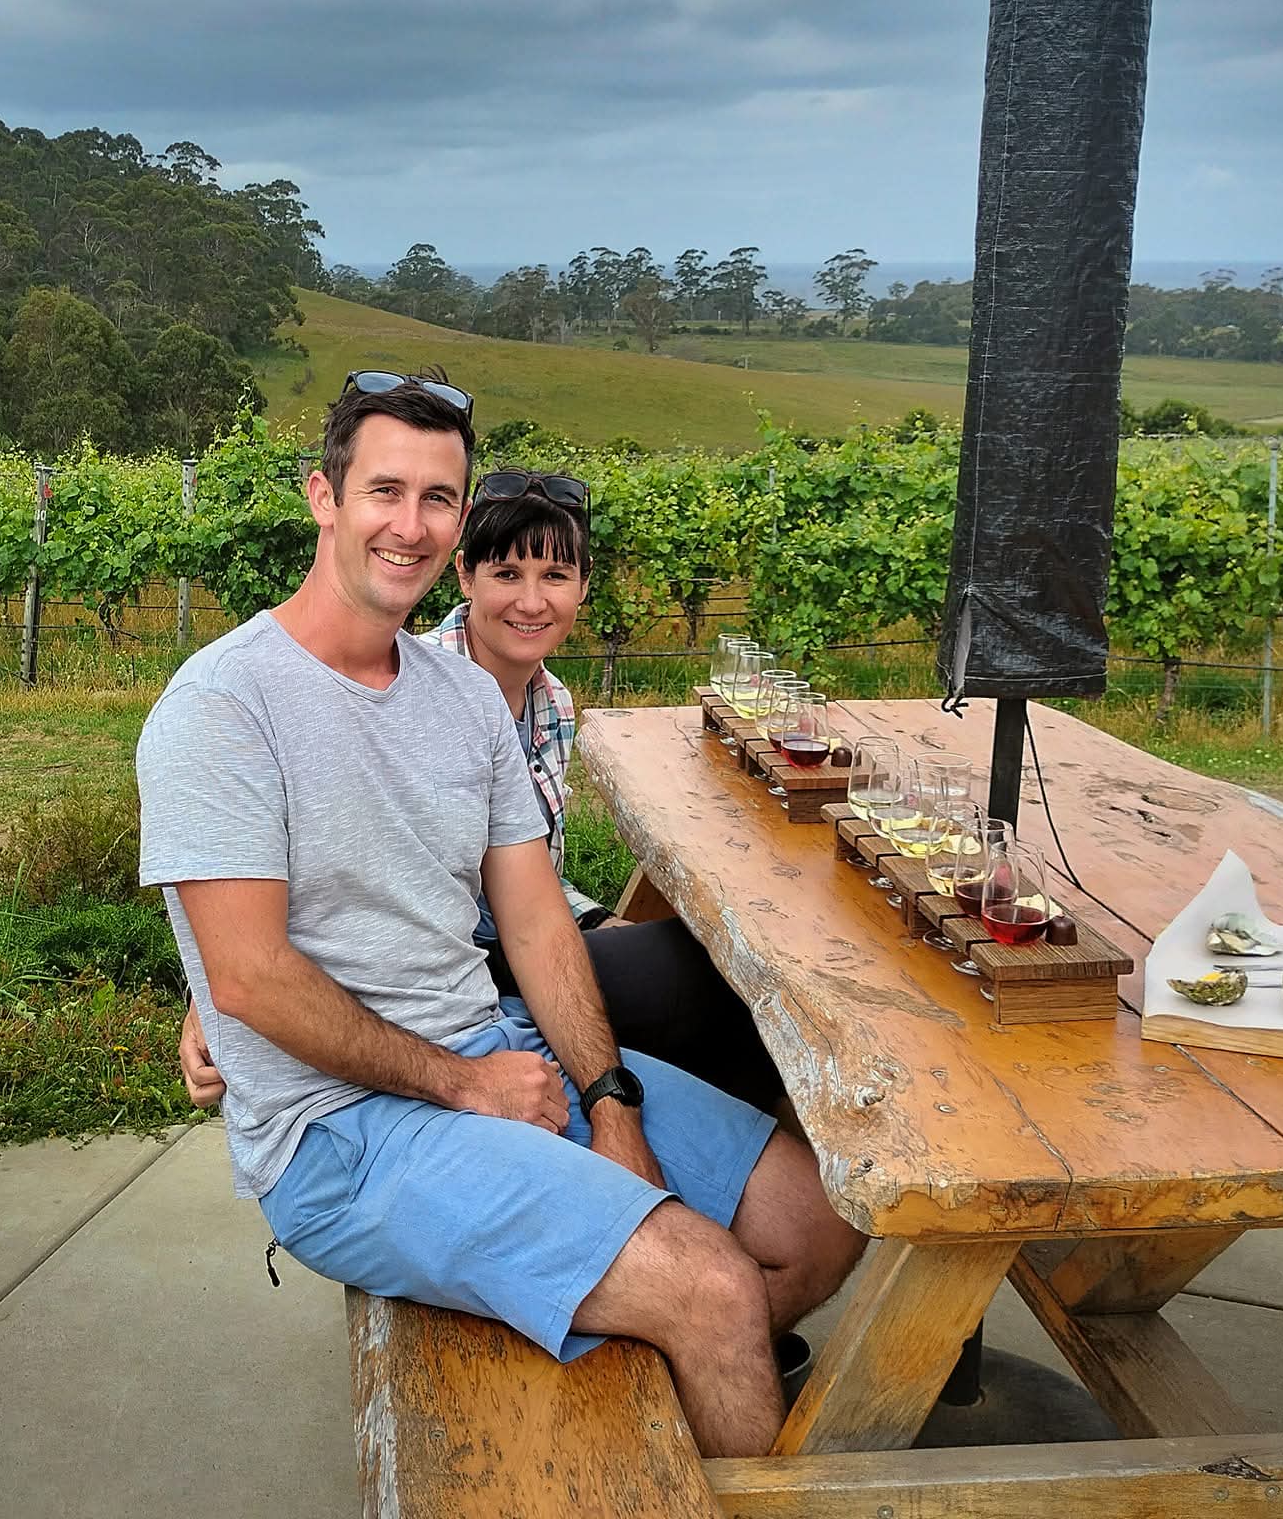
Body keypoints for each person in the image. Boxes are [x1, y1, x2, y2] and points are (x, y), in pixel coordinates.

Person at [136, 372, 863, 1458]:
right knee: (710, 1287)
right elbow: (246, 977)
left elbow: (535, 926)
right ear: (323, 497)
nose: (411, 524)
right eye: (385, 490)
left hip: (496, 1052)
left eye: (437, 498)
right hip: (338, 1133)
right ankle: (681, 1377)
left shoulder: (464, 697)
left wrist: (609, 1105)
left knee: (821, 1222)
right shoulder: (221, 705)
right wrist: (464, 1085)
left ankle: (652, 1410)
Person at [179, 466, 784, 1116]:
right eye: (507, 574)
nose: (531, 601)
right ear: (465, 576)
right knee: (703, 976)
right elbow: (323, 862)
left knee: (713, 970)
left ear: (583, 587)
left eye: (555, 576)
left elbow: (525, 872)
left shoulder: (553, 703)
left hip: (515, 940)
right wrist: (206, 996)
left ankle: (704, 1137)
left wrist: (591, 919)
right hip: (437, 969)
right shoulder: (404, 690)